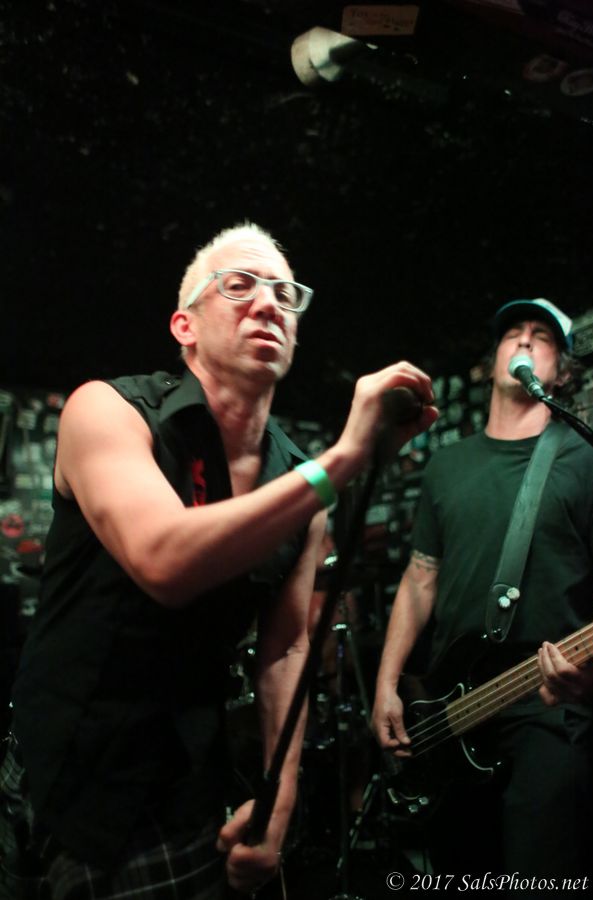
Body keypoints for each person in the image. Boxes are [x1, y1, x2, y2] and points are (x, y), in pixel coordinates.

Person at [0, 222, 437, 900]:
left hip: (171, 790)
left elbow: (287, 647)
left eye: (285, 294)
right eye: (239, 286)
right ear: (185, 325)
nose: (268, 303)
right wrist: (344, 460)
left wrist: (280, 796)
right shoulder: (109, 411)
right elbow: (163, 560)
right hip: (52, 757)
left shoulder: (298, 480)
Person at [372, 298, 593, 890]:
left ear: (562, 372)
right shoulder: (447, 465)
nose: (522, 340)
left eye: (541, 336)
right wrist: (387, 683)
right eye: (512, 333)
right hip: (452, 712)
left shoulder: (585, 459)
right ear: (492, 359)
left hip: (547, 704)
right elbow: (421, 575)